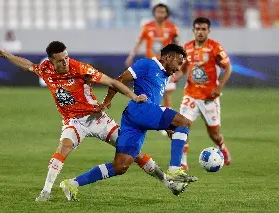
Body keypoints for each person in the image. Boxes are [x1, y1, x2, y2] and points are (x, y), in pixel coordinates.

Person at [0, 41, 184, 202]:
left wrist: (133, 97)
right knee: (63, 148)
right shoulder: (46, 70)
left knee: (133, 154)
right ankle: (46, 191)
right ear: (51, 61)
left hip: (97, 119)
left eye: (66, 57)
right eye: (61, 60)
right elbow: (27, 65)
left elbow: (113, 82)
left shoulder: (80, 68)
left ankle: (168, 182)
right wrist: (4, 53)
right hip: (73, 121)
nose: (65, 62)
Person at [60, 44, 198, 201]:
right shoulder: (147, 64)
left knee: (120, 166)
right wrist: (106, 102)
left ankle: (72, 183)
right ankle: (174, 171)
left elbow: (155, 102)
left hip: (135, 119)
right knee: (185, 122)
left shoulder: (164, 76)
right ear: (168, 57)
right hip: (140, 109)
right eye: (179, 63)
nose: (179, 68)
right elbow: (118, 80)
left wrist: (167, 126)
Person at [173, 17, 232, 170]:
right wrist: (177, 75)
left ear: (208, 31)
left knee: (214, 134)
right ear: (193, 30)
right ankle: (183, 162)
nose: (200, 32)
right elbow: (184, 68)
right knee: (182, 125)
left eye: (203, 29)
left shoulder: (215, 48)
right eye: (197, 29)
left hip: (209, 98)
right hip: (190, 94)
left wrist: (219, 88)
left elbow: (228, 68)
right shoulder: (187, 48)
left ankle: (222, 147)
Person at [125, 3, 180, 136]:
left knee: (166, 92)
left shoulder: (172, 28)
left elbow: (177, 45)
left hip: (166, 65)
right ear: (154, 13)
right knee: (152, 93)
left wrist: (179, 63)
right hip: (151, 66)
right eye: (158, 12)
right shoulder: (147, 27)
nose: (160, 14)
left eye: (163, 12)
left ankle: (166, 121)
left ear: (166, 14)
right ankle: (160, 120)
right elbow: (139, 43)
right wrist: (131, 55)